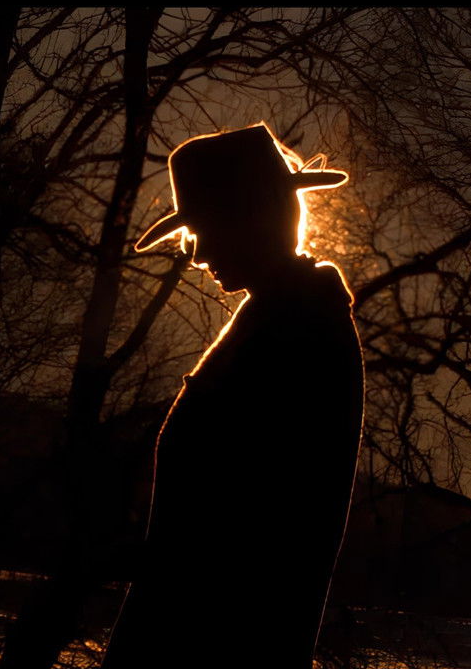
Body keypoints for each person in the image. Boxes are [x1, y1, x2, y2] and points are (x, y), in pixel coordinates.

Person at [99, 124, 364, 668]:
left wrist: (146, 562)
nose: (195, 256)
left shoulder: (296, 327)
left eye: (203, 229)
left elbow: (259, 522)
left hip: (215, 644)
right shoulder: (282, 316)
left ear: (255, 218)